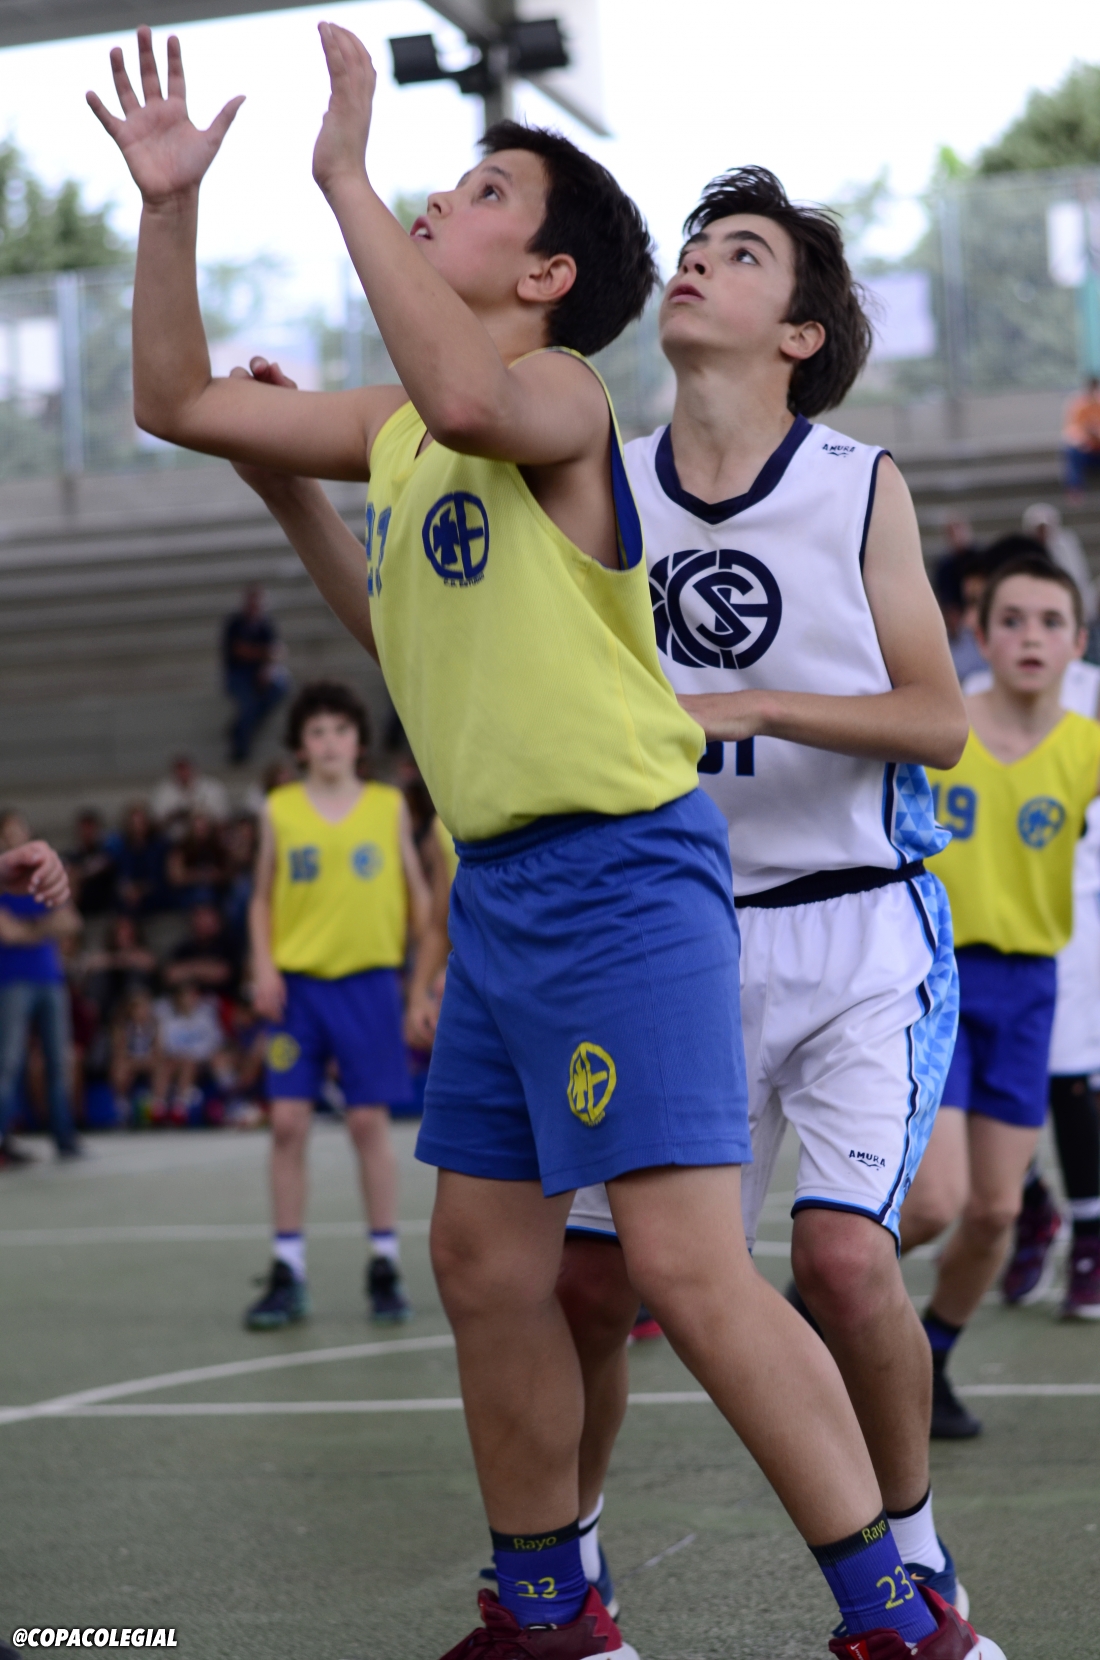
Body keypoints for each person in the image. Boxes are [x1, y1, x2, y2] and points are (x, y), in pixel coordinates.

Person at [88, 29, 991, 1656]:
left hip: (623, 874)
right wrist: (172, 211)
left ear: (548, 273)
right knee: (486, 1264)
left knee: (688, 1270)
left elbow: (463, 388)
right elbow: (180, 406)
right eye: (441, 184)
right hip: (505, 888)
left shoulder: (562, 395)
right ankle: (551, 1611)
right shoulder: (407, 434)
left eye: (481, 189)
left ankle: (903, 1618)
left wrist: (345, 175)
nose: (441, 199)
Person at [546, 164, 984, 1630]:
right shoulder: (603, 481)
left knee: (844, 1261)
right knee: (590, 1290)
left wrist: (756, 702)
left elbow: (936, 721)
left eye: (739, 253)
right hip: (670, 934)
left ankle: (914, 1561)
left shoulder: (857, 484)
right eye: (694, 245)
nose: (696, 262)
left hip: (857, 924)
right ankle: (563, 1575)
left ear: (799, 332)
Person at [901, 555, 1100, 1436]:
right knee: (935, 1200)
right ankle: (825, 1290)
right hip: (936, 977)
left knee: (996, 1213)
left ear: (1078, 644)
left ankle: (930, 1357)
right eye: (1011, 619)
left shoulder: (1086, 748)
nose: (1031, 637)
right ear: (978, 636)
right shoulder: (942, 729)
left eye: (1051, 622)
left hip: (1029, 990)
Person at [244, 679, 431, 1329]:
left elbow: (419, 895)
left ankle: (384, 1262)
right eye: (317, 732)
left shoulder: (387, 805)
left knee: (366, 1124)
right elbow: (260, 898)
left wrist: (425, 976)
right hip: (297, 991)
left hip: (370, 984)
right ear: (300, 746)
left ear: (359, 741)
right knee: (287, 1123)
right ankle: (287, 1268)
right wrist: (263, 965)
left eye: (341, 730)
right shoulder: (279, 809)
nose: (329, 742)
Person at [0, 810, 83, 1165]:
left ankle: (65, 1139)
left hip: (50, 978)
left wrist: (29, 928)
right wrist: (45, 925)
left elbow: (71, 922)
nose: (17, 834)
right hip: (12, 981)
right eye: (9, 831)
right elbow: (8, 933)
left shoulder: (40, 877)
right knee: (8, 1064)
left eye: (20, 828)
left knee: (58, 1063)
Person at [222, 584, 289, 763]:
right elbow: (239, 651)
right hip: (239, 675)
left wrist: (266, 668)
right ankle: (240, 747)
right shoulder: (235, 624)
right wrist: (264, 653)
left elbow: (277, 653)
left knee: (280, 688)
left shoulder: (266, 625)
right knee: (249, 703)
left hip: (259, 674)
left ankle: (240, 728)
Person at [150, 754, 229, 835]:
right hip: (174, 838)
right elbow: (156, 823)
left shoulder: (213, 788)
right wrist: (175, 815)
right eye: (179, 769)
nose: (183, 773)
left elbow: (223, 819)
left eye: (185, 768)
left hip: (209, 836)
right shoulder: (163, 791)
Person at [64, 809, 118, 919]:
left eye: (90, 828)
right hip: (80, 912)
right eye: (84, 829)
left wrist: (81, 872)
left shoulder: (107, 851)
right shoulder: (72, 856)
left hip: (105, 910)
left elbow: (102, 864)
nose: (87, 833)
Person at [1063, 375, 1100, 499]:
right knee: (1072, 452)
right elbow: (1072, 431)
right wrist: (1086, 438)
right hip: (1087, 451)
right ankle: (1075, 489)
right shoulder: (1079, 407)